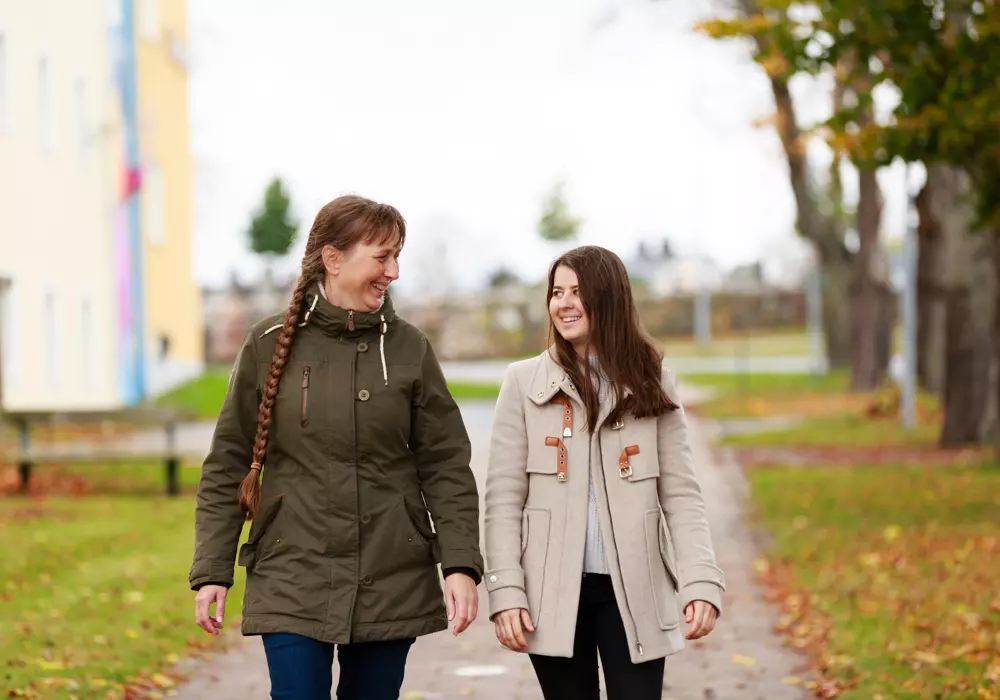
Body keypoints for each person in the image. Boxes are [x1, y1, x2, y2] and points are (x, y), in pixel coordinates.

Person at [190, 195, 483, 700]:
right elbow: (228, 462)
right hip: (291, 568)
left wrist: (459, 564)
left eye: (398, 257)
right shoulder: (267, 343)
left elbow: (445, 464)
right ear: (333, 259)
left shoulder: (409, 347)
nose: (393, 271)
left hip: (390, 572)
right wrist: (212, 569)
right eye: (382, 256)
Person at [484, 245, 726, 700]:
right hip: (552, 597)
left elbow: (681, 495)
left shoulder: (654, 381)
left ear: (609, 298)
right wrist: (506, 592)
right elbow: (501, 501)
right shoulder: (522, 383)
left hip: (635, 591)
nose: (564, 303)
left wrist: (700, 581)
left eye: (578, 292)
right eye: (557, 292)